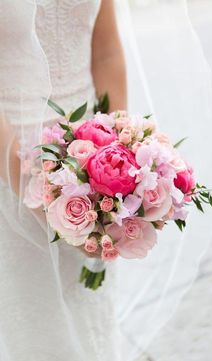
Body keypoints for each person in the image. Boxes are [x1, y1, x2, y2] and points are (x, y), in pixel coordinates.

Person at [0, 1, 127, 360]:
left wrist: (120, 155)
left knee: (88, 312)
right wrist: (38, 194)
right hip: (8, 158)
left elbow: (105, 51)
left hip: (92, 158)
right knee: (33, 324)